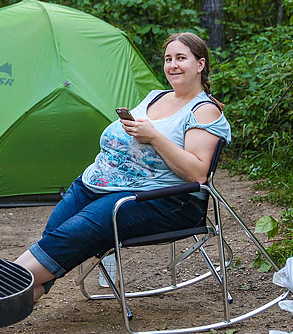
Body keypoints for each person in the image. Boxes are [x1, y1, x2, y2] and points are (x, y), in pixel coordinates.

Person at [15, 32, 232, 301]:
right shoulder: (156, 96)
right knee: (55, 241)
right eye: (168, 59)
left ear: (199, 65)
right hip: (94, 185)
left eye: (181, 58)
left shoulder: (203, 110)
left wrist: (154, 136)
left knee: (64, 242)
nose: (172, 65)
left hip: (158, 199)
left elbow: (197, 174)